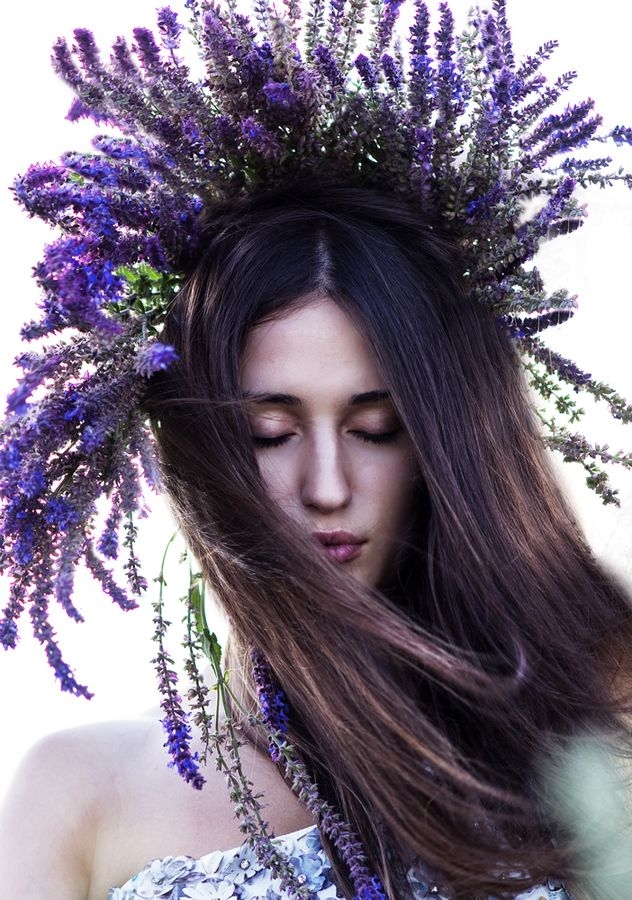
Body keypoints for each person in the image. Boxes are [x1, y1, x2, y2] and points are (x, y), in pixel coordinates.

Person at [0, 3, 631, 900]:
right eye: (270, 433)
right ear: (194, 444)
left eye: (377, 429)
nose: (327, 486)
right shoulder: (76, 793)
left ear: (444, 447)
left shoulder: (585, 754)